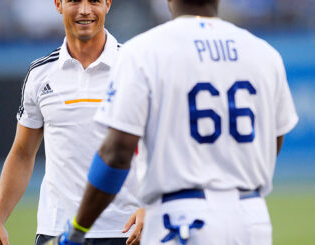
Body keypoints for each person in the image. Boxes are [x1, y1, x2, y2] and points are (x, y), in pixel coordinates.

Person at [50, 0, 299, 244]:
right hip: (251, 217)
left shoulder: (143, 51)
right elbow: (273, 139)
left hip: (182, 216)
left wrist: (78, 228)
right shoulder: (264, 53)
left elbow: (116, 152)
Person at [0, 0, 144, 245]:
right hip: (57, 230)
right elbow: (22, 153)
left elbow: (159, 144)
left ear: (108, 4)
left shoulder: (136, 66)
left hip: (125, 230)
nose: (84, 10)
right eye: (74, 1)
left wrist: (149, 206)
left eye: (94, 1)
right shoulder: (40, 74)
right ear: (58, 5)